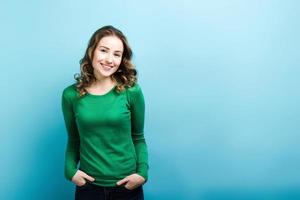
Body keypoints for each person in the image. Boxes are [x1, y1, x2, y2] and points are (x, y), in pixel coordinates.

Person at [61, 25, 148, 200]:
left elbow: (138, 138)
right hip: (89, 188)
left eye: (116, 54)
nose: (110, 59)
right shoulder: (71, 95)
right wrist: (70, 171)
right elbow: (74, 139)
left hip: (127, 187)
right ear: (91, 51)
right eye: (104, 50)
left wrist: (142, 174)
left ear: (122, 59)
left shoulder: (132, 91)